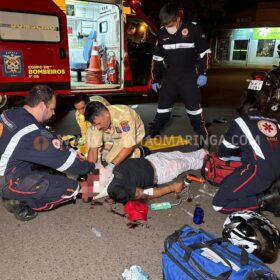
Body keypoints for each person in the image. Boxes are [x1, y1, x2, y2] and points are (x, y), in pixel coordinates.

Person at [0, 85, 96, 221]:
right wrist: (91, 167)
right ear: (41, 106)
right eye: (51, 108)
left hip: (7, 169)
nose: (53, 113)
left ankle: (16, 194)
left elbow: (44, 132)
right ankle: (20, 201)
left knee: (51, 170)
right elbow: (66, 162)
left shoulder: (11, 113)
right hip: (7, 180)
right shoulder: (32, 133)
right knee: (65, 186)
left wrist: (60, 144)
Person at [149, 2, 211, 149]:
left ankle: (203, 137)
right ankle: (153, 132)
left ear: (178, 18)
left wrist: (203, 73)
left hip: (189, 77)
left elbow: (205, 54)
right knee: (162, 110)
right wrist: (155, 78)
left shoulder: (193, 29)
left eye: (171, 24)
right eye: (165, 24)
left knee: (194, 111)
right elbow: (156, 59)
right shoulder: (162, 33)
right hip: (169, 77)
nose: (168, 28)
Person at [212, 88, 280, 216]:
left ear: (242, 104)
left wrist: (220, 153)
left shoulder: (240, 122)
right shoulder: (275, 121)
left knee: (218, 204)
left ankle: (265, 201)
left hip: (260, 172)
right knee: (232, 181)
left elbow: (223, 152)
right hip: (276, 171)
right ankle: (263, 191)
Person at [107, 149, 207, 203]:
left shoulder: (112, 179)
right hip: (161, 171)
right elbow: (145, 193)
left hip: (152, 159)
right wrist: (172, 187)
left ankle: (202, 153)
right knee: (188, 163)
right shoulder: (121, 191)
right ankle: (211, 165)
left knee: (180, 155)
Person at [85, 101, 146, 169]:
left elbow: (128, 146)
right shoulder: (100, 119)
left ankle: (139, 151)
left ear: (106, 114)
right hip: (114, 134)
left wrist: (110, 167)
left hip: (133, 136)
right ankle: (107, 151)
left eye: (99, 123)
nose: (98, 127)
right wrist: (89, 169)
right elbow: (93, 148)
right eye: (95, 124)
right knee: (90, 132)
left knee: (110, 159)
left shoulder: (124, 115)